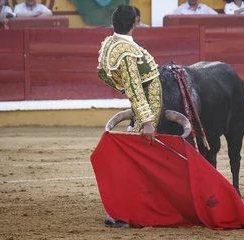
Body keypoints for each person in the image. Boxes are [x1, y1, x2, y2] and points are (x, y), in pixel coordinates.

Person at [97, 5, 162, 226]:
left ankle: (127, 209)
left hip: (140, 104)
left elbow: (102, 72)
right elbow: (135, 88)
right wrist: (146, 121)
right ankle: (124, 213)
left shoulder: (110, 43)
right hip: (148, 105)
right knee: (141, 158)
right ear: (135, 23)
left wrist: (124, 88)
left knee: (139, 157)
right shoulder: (127, 51)